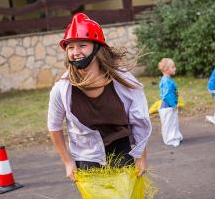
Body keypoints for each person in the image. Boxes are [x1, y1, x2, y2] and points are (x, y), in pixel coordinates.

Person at [47, 13, 151, 182]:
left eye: (82, 45)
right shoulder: (61, 90)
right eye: (70, 47)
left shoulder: (123, 81)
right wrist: (67, 162)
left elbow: (139, 121)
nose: (75, 52)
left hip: (121, 152)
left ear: (97, 47)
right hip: (87, 157)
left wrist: (141, 156)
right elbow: (54, 126)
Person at [158, 58, 183, 147]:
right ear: (166, 69)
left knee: (173, 121)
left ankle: (174, 136)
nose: (175, 68)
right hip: (167, 105)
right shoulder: (166, 81)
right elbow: (166, 95)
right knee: (168, 122)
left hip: (170, 104)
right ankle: (170, 139)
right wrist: (173, 104)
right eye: (173, 67)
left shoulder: (168, 80)